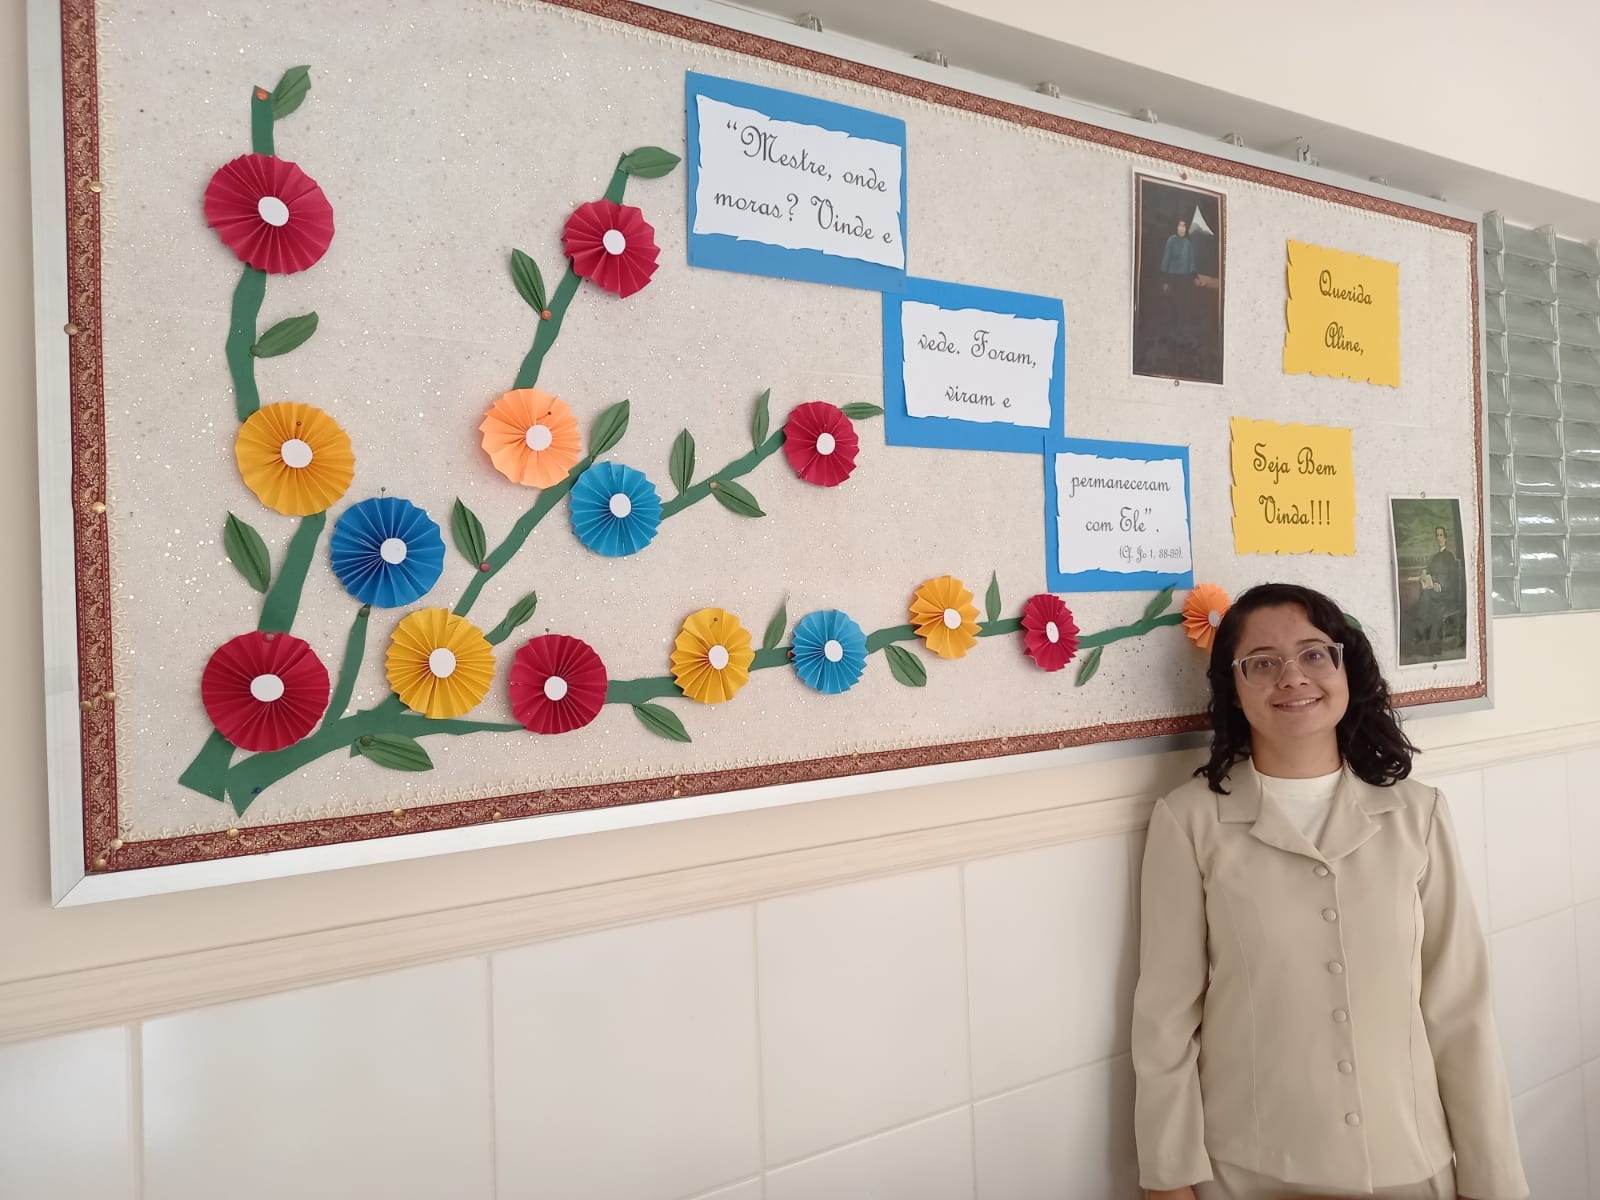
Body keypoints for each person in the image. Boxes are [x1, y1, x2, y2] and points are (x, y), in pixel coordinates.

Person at [1132, 583, 1527, 1200]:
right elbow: (1165, 1017)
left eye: (1315, 653)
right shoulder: (1190, 821)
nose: (1293, 677)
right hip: (1247, 1169)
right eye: (1262, 662)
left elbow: (1460, 1009)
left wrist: (1492, 1181)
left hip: (1408, 1162)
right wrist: (1168, 1177)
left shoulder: (1417, 815)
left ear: (1346, 668)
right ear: (1232, 687)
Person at [1412, 526, 1464, 651]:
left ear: (1445, 538)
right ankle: (1422, 634)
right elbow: (1429, 571)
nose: (1439, 538)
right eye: (1437, 535)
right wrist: (1424, 574)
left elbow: (1453, 580)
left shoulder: (1449, 557)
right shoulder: (1435, 557)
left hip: (1446, 593)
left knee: (1426, 597)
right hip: (1434, 591)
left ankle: (1422, 634)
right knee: (1426, 594)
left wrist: (1440, 587)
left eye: (1441, 535)